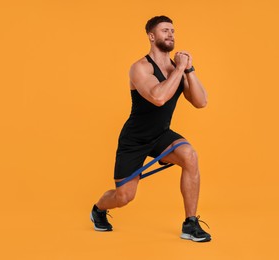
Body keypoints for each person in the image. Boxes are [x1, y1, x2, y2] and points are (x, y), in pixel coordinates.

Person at [90, 15, 211, 242]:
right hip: (134, 139)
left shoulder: (179, 69)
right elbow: (158, 97)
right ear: (152, 36)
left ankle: (190, 223)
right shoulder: (140, 68)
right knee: (124, 197)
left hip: (161, 135)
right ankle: (98, 209)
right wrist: (179, 70)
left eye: (173, 31)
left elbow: (201, 102)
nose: (170, 35)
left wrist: (189, 69)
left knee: (190, 156)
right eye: (165, 31)